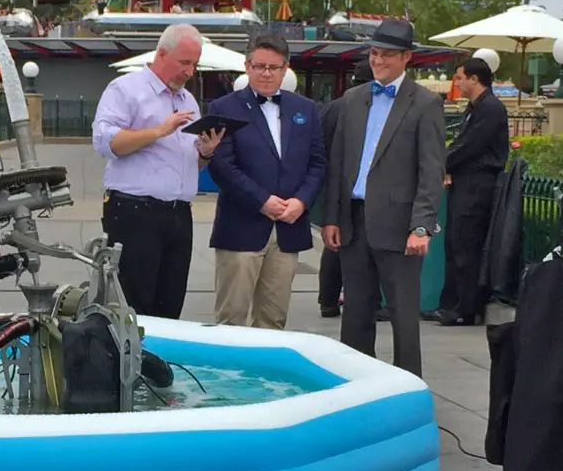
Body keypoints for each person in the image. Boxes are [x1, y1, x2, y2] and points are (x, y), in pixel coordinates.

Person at [321, 19, 446, 377]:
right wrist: (332, 217)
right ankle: (356, 386)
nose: (379, 61)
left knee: (404, 317)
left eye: (388, 55)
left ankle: (407, 388)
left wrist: (421, 226)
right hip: (354, 222)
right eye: (374, 54)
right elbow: (338, 164)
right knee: (356, 314)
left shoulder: (425, 104)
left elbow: (431, 170)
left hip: (401, 225)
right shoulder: (352, 99)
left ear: (407, 57)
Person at [91, 23, 225, 319]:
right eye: (184, 63)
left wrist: (206, 151)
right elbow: (106, 143)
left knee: (170, 302)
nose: (190, 71)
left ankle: (156, 364)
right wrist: (158, 131)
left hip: (178, 214)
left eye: (195, 64)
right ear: (162, 54)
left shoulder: (187, 100)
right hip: (135, 212)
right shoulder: (126, 90)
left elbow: (190, 162)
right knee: (135, 306)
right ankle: (130, 364)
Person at [205, 32, 327, 329]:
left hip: (288, 227)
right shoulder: (223, 108)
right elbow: (222, 166)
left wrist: (301, 201)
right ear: (247, 66)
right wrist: (262, 201)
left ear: (286, 69)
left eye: (274, 67)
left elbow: (318, 162)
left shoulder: (305, 109)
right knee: (231, 319)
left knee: (273, 321)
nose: (266, 73)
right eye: (259, 66)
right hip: (241, 228)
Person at [435, 57, 510, 326]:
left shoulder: (490, 108)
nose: (457, 83)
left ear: (474, 79)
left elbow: (471, 145)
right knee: (454, 243)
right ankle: (450, 302)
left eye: (460, 78)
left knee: (466, 244)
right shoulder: (474, 108)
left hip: (478, 183)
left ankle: (466, 308)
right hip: (465, 181)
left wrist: (441, 162)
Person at [317, 59, 374, 318]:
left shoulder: (333, 107)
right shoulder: (366, 106)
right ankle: (363, 300)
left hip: (333, 183)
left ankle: (327, 299)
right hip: (360, 187)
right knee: (360, 246)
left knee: (334, 245)